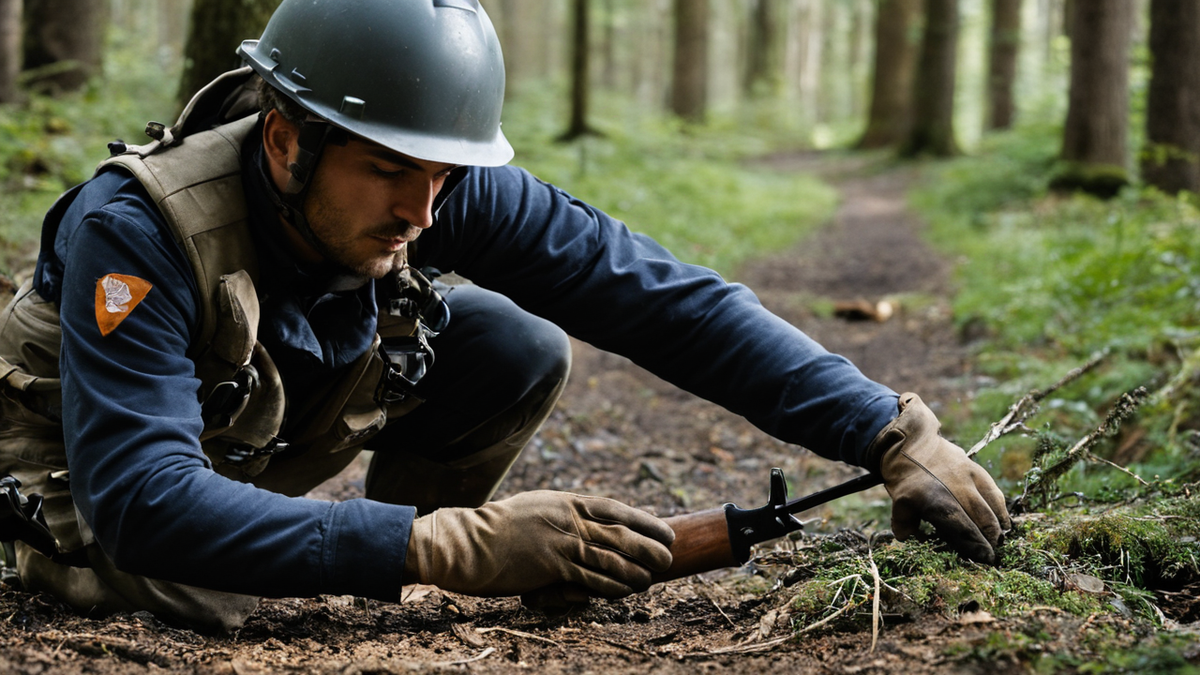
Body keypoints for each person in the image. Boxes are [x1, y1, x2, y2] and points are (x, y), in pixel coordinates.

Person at [0, 0, 1009, 633]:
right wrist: (451, 546)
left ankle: (386, 564)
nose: (422, 209)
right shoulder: (136, 229)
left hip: (256, 428)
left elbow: (656, 296)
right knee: (190, 588)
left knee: (513, 343)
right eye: (391, 169)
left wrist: (887, 432)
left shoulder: (429, 182)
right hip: (95, 482)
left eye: (445, 174)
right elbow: (144, 500)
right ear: (283, 141)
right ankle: (395, 558)